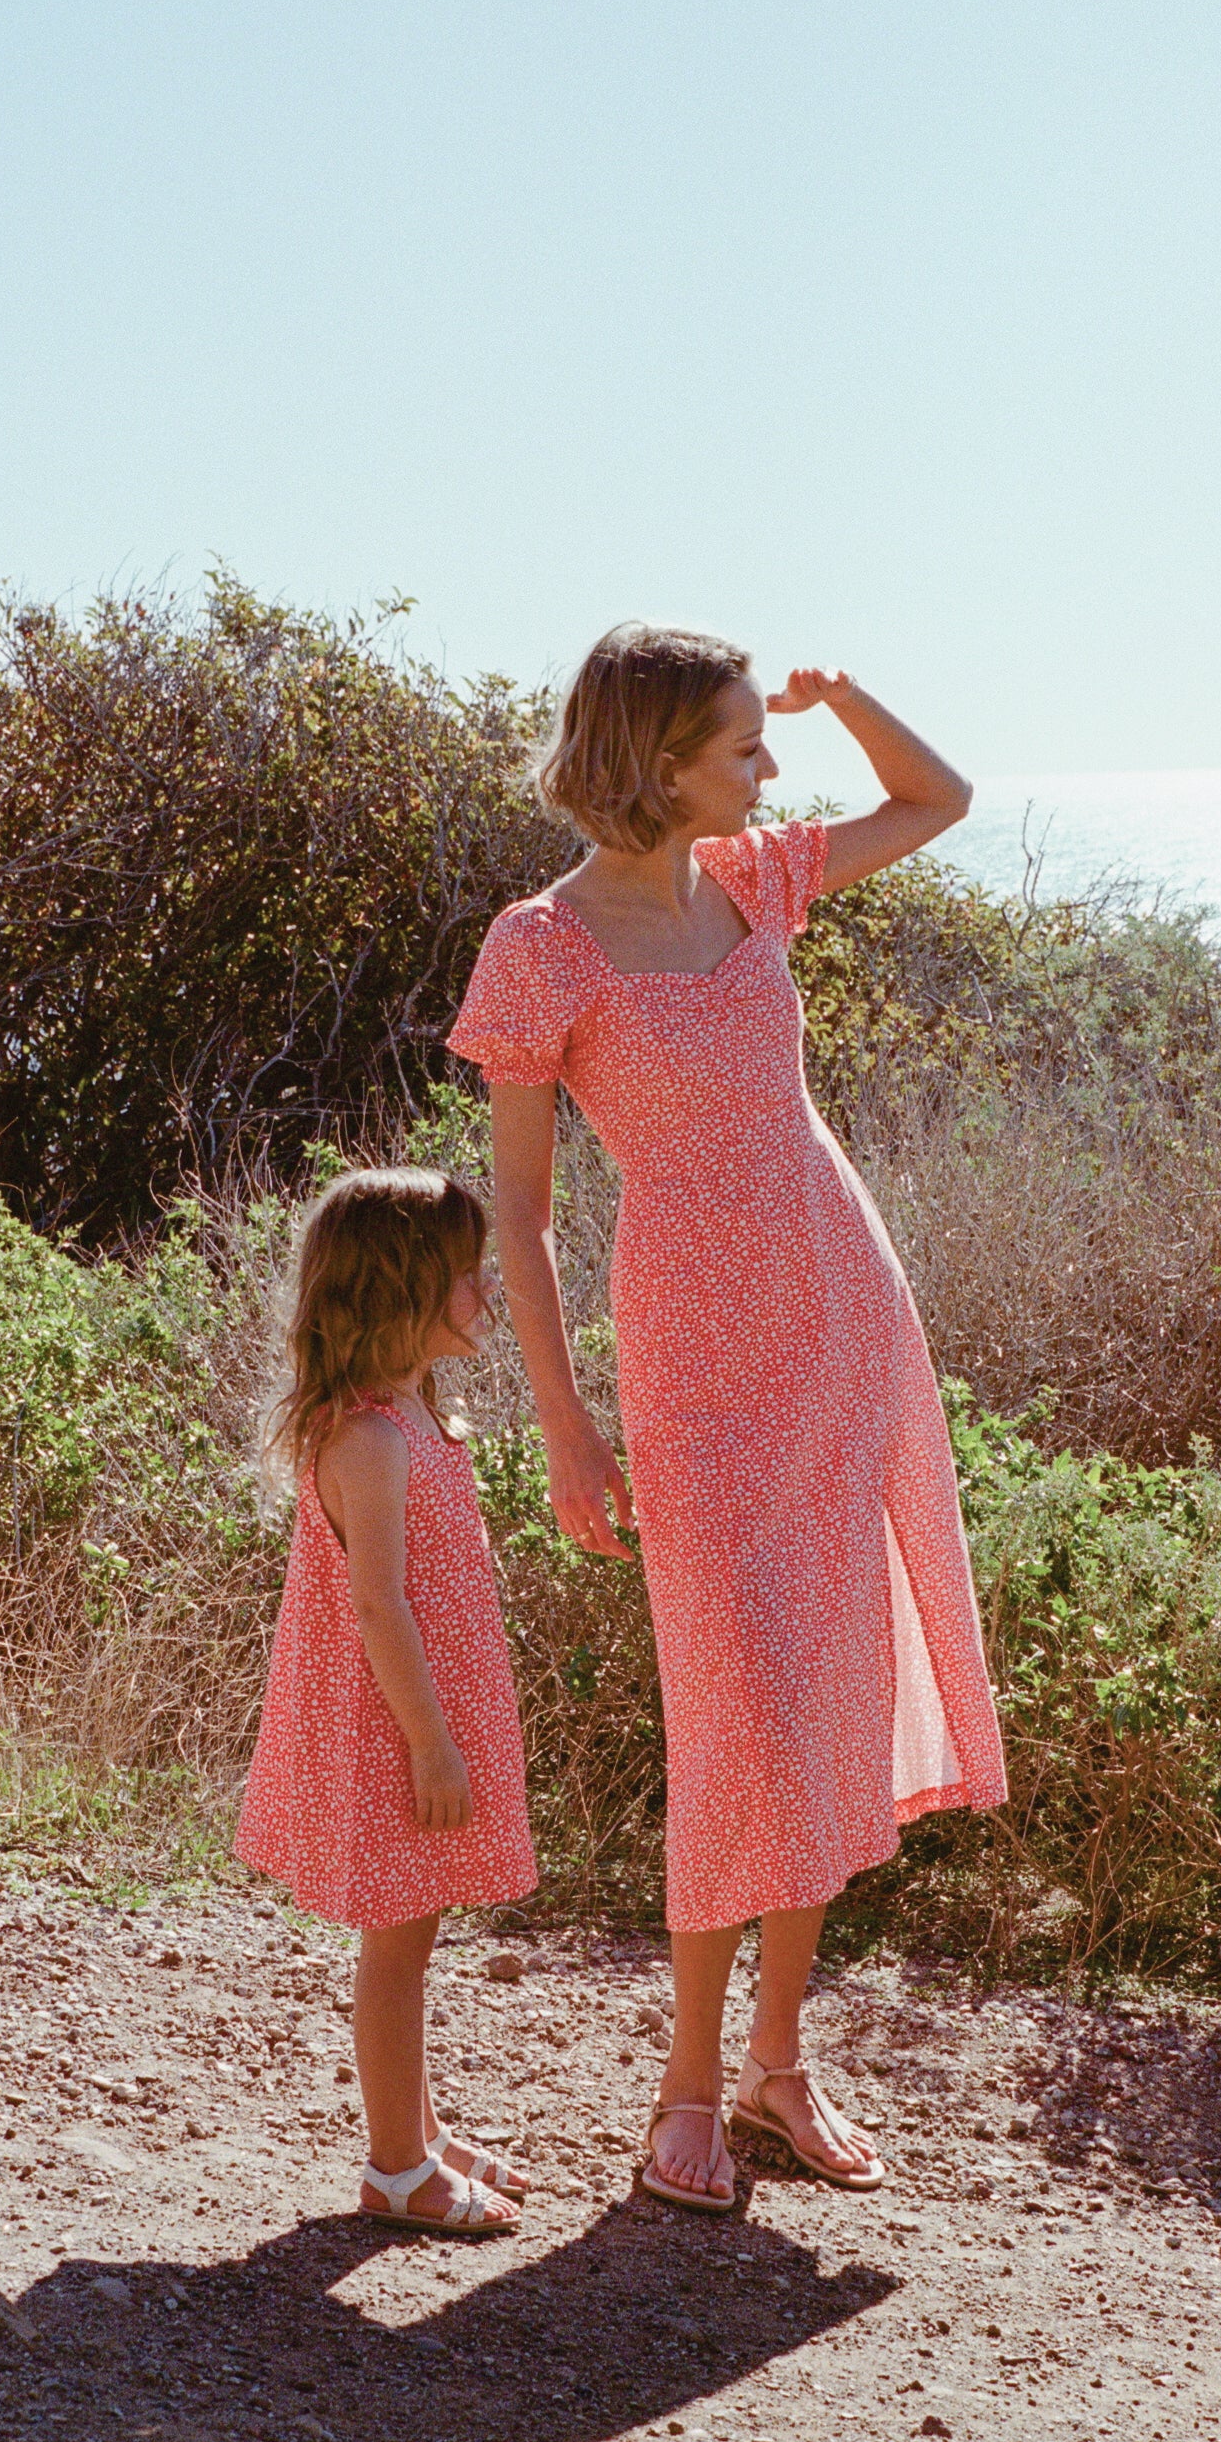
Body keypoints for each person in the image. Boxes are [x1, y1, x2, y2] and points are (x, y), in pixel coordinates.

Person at [448, 626, 1008, 2212]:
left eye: (768, 744)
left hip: (840, 1305)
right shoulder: (540, 946)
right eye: (745, 746)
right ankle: (685, 2085)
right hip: (692, 1349)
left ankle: (774, 2065)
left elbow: (940, 797)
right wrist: (558, 1420)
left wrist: (846, 699)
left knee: (823, 1684)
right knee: (731, 1703)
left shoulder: (753, 879)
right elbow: (524, 1208)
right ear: (653, 758)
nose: (769, 771)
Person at [235, 1168, 536, 2235]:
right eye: (465, 1271)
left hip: (423, 1716)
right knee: (399, 1944)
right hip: (393, 1727)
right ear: (401, 1290)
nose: (486, 1286)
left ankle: (420, 2122)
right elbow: (377, 1608)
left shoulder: (415, 1415)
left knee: (423, 1927)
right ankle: (396, 2166)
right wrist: (431, 1743)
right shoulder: (365, 1438)